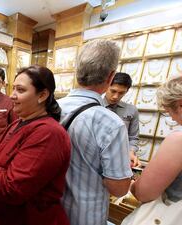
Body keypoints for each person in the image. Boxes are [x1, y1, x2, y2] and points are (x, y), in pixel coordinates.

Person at [0, 65, 71, 225]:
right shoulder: (20, 122)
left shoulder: (49, 133)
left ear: (43, 95)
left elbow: (11, 189)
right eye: (13, 89)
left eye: (20, 90)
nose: (12, 96)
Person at [58, 39, 133, 225]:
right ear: (110, 77)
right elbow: (118, 188)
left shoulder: (51, 108)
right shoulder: (111, 123)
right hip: (85, 215)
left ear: (77, 72)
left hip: (50, 210)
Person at [130, 77, 182, 203]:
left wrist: (132, 184)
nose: (173, 119)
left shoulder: (178, 139)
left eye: (168, 111)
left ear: (180, 105)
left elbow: (143, 193)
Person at [103, 72, 140, 167]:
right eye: (113, 91)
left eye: (121, 93)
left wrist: (131, 152)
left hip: (120, 160)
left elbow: (133, 137)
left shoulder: (132, 110)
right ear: (106, 86)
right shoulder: (94, 106)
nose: (116, 96)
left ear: (127, 91)